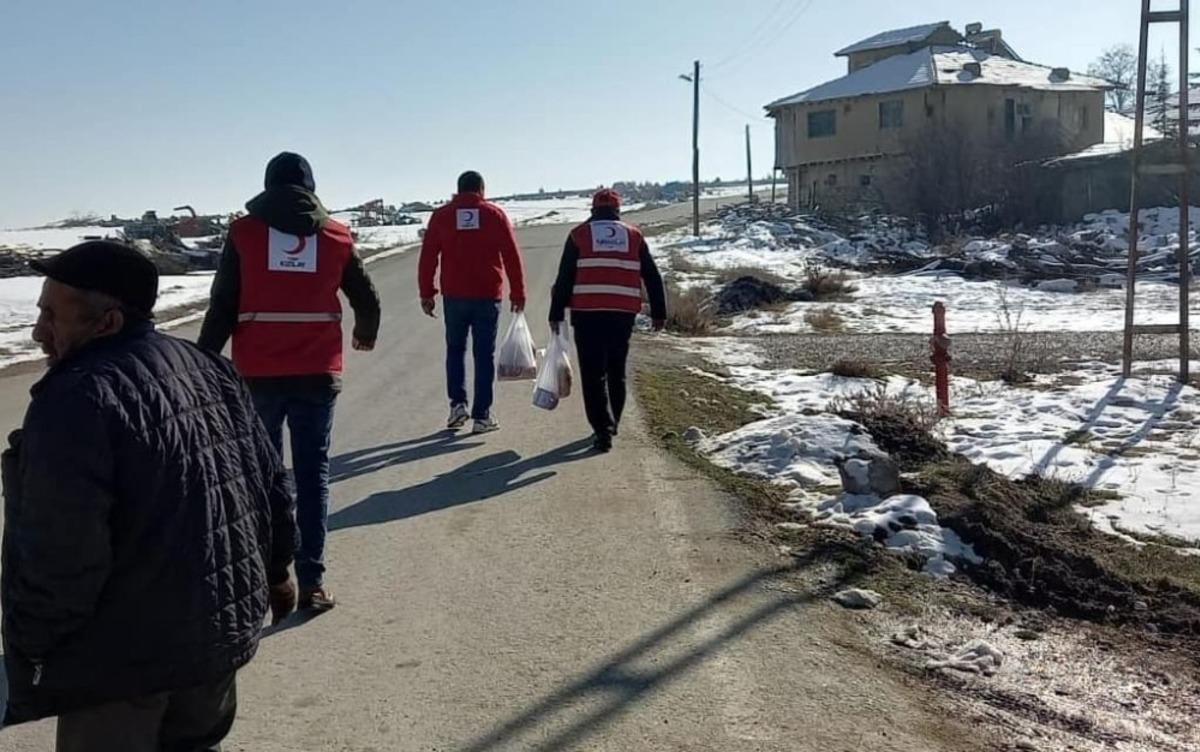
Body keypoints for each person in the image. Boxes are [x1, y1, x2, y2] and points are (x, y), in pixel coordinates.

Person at [2, 241, 296, 750]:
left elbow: (62, 553)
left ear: (108, 322)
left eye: (52, 316)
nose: (38, 332)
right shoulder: (208, 367)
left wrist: (31, 647)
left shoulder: (76, 398)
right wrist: (277, 571)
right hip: (214, 644)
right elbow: (269, 485)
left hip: (123, 667)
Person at [199, 151, 380, 612]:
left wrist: (203, 363)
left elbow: (223, 304)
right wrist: (365, 332)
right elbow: (366, 297)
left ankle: (269, 578)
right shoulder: (336, 235)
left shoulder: (243, 234)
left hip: (258, 374)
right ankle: (312, 583)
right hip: (317, 374)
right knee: (312, 476)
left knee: (262, 476)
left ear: (267, 187)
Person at [549, 189, 667, 452]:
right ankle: (613, 422)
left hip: (587, 313)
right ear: (617, 210)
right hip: (622, 313)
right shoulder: (634, 235)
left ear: (593, 210)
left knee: (592, 374)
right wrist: (659, 311)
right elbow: (651, 275)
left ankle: (602, 430)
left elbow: (565, 277)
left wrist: (556, 313)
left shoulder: (579, 235)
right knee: (616, 370)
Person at [419, 171, 526, 434]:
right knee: (484, 354)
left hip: (454, 296)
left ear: (458, 189)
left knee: (455, 350)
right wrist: (518, 293)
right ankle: (482, 416)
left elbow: (428, 256)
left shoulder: (442, 216)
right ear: (481, 189)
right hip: (487, 295)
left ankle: (457, 405)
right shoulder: (494, 215)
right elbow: (511, 255)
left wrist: (427, 293)